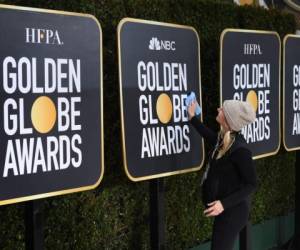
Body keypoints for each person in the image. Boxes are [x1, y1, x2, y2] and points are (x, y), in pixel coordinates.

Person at [187, 99, 257, 250]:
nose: (218, 109)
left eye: (222, 110)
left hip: (233, 212)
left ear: (228, 119)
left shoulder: (241, 150)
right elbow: (209, 136)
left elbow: (251, 184)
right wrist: (192, 118)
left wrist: (223, 204)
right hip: (226, 210)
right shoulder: (224, 139)